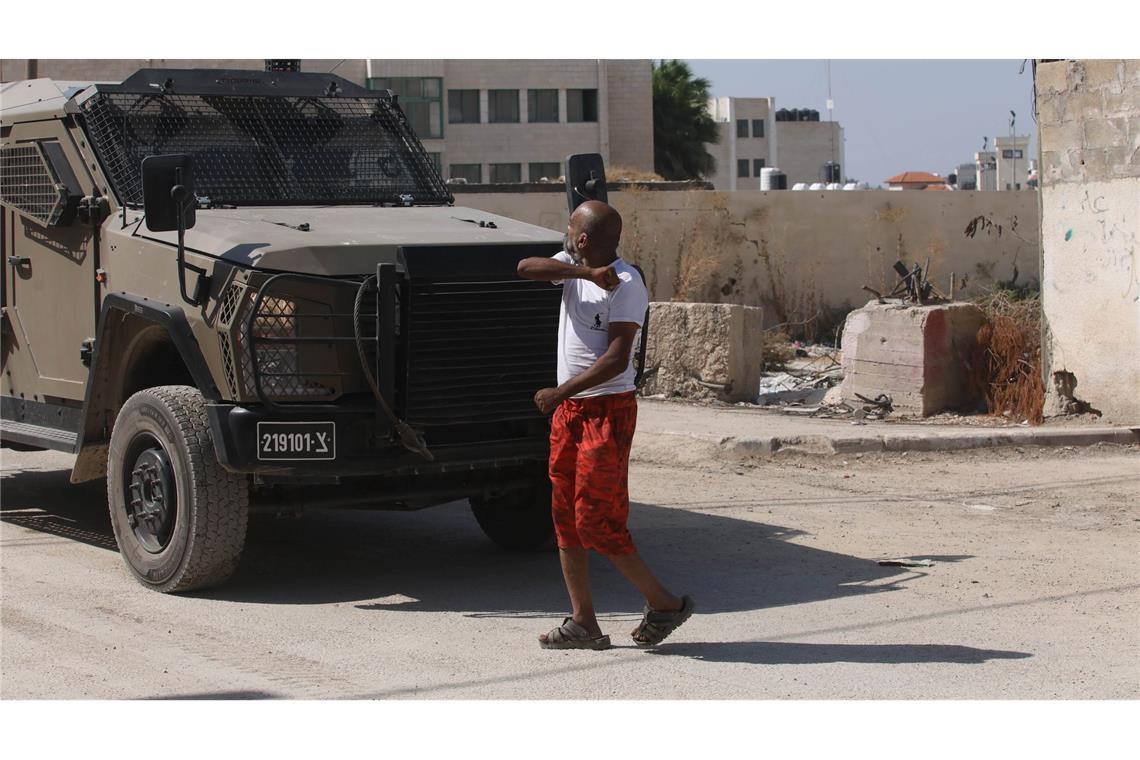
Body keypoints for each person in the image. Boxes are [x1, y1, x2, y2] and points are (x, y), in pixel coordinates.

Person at [516, 200, 694, 650]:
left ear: (581, 238)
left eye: (570, 228)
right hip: (571, 415)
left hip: (605, 412)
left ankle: (665, 604)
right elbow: (524, 267)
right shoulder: (571, 268)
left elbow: (616, 359)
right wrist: (581, 274)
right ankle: (583, 622)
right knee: (565, 521)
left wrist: (560, 393)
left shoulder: (628, 283)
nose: (565, 235)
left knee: (597, 522)